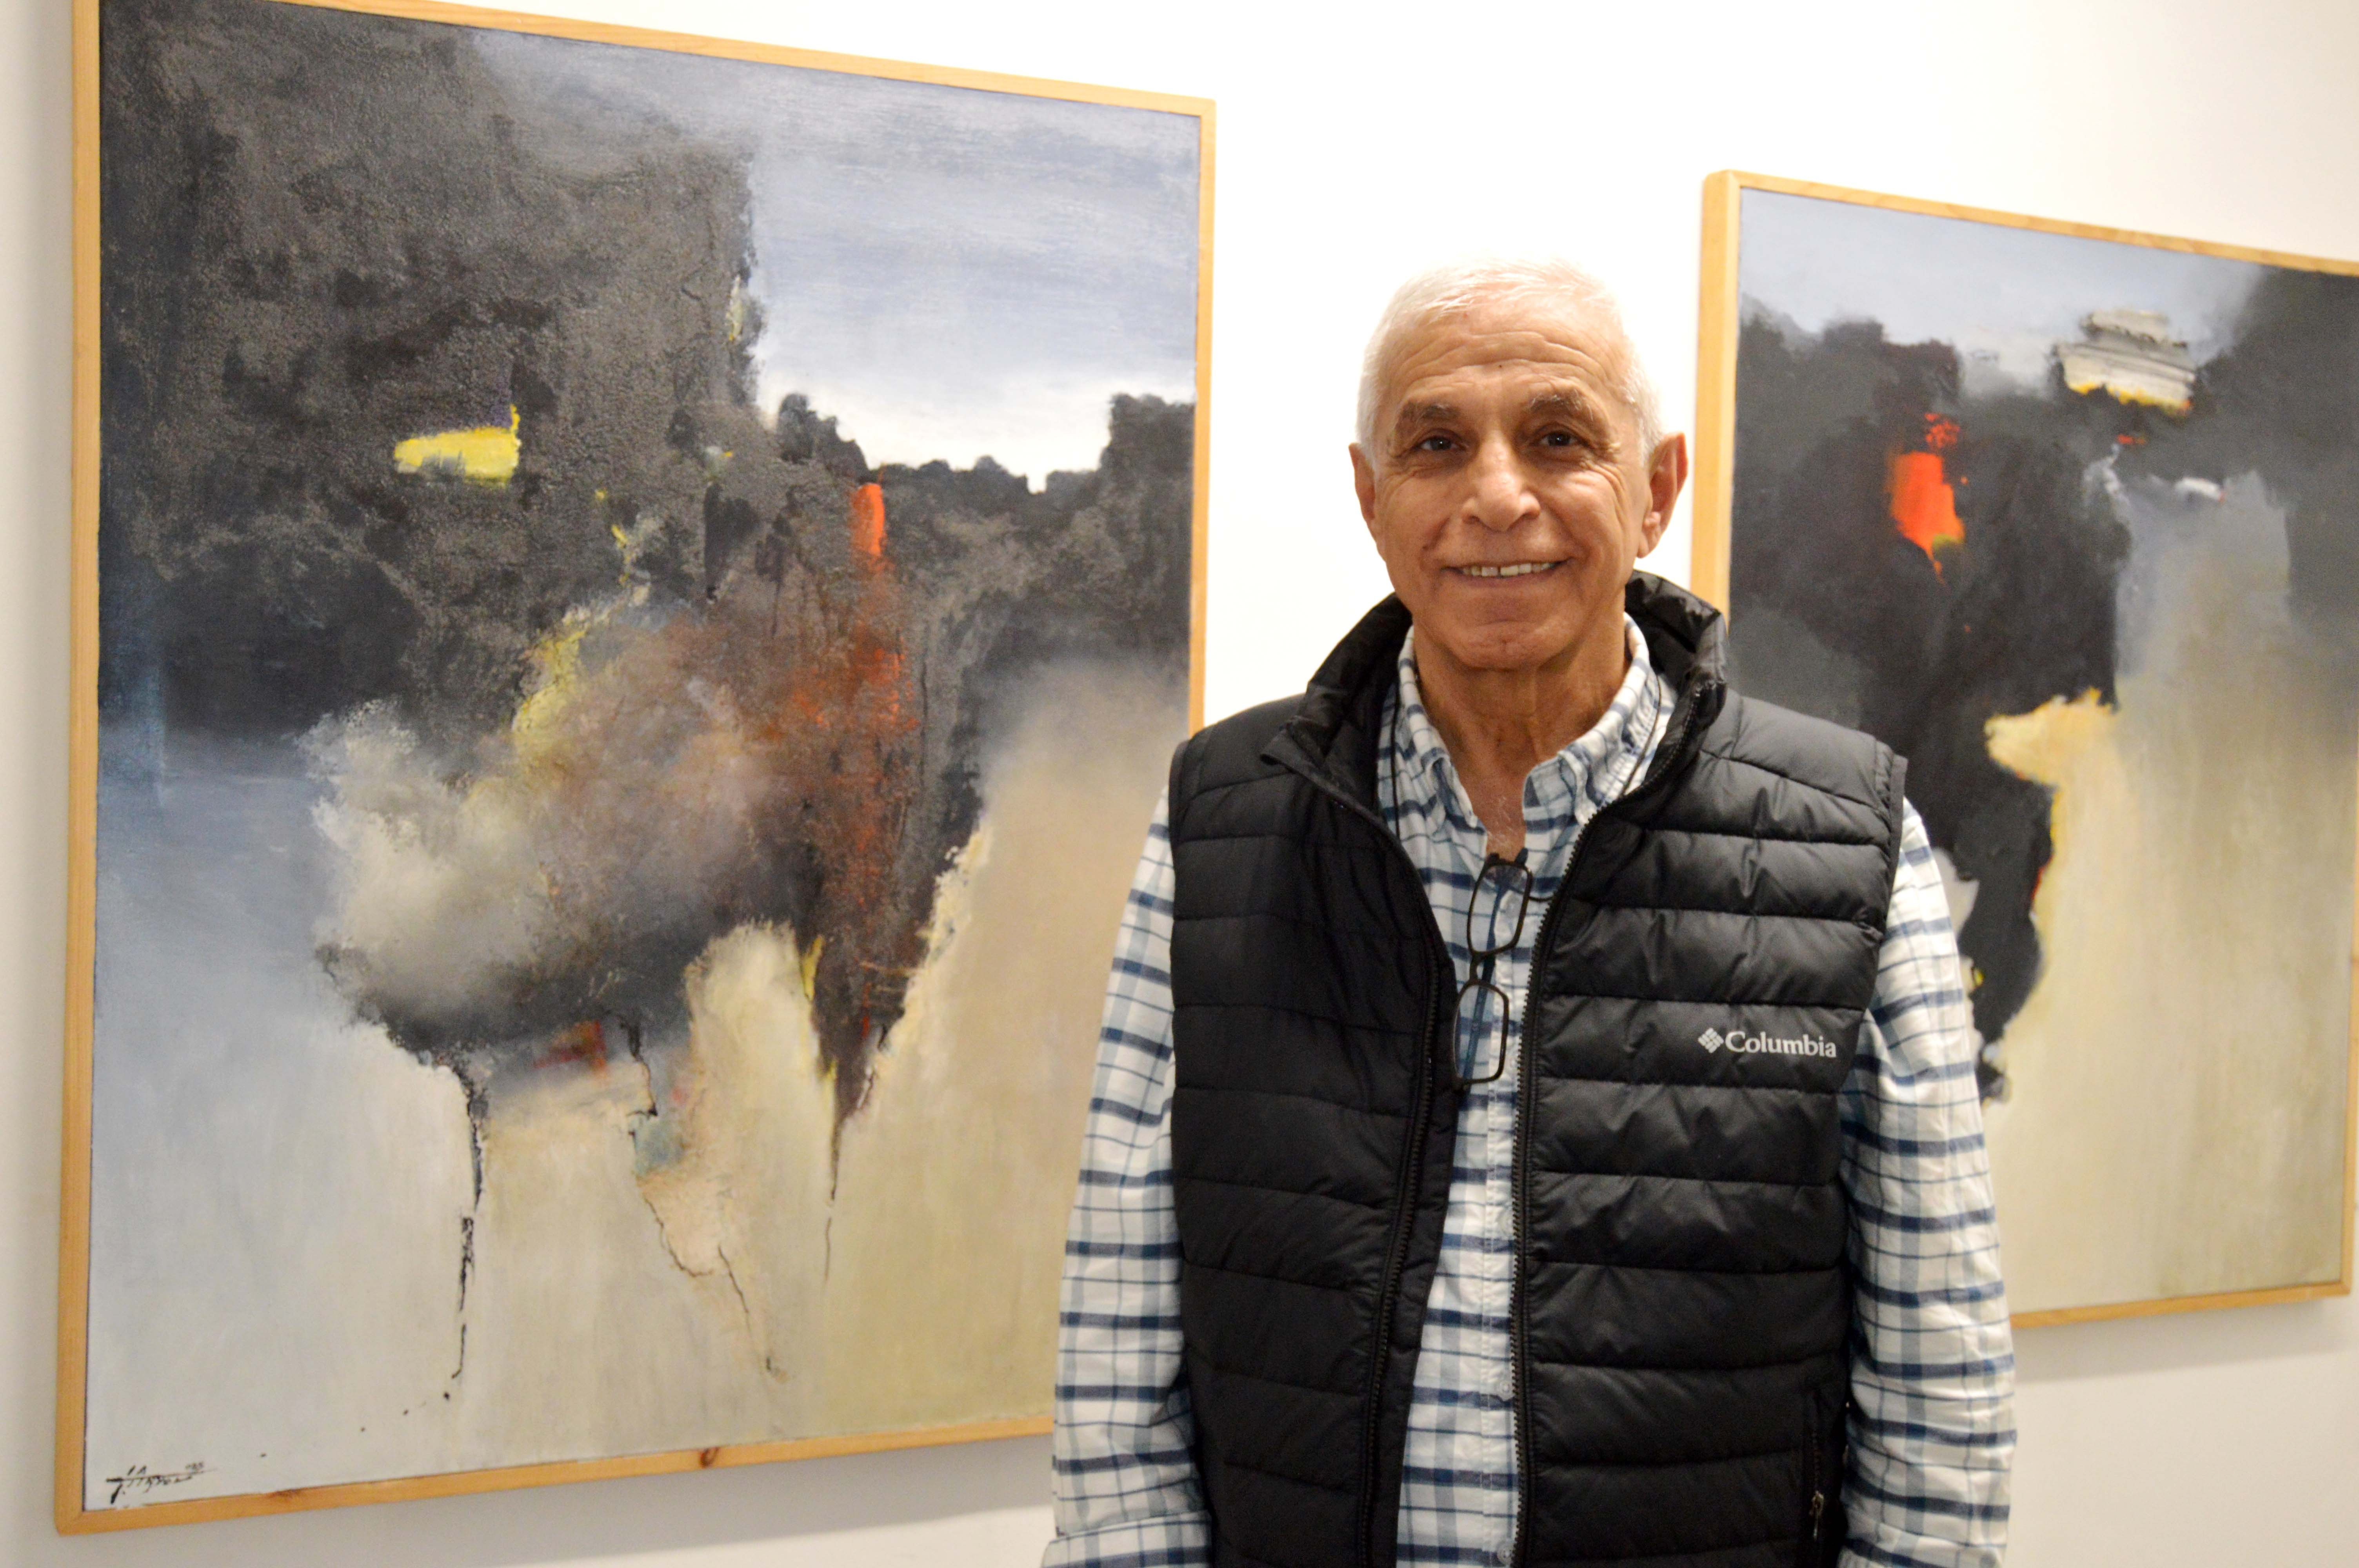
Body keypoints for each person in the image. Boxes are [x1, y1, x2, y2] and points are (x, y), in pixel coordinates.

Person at [1043, 258, 2014, 1568]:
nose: (1497, 495)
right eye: (1437, 444)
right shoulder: (1221, 817)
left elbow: (1938, 1380)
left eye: (1559, 439)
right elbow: (1120, 1342)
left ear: (1657, 490)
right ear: (1373, 499)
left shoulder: (1850, 841)